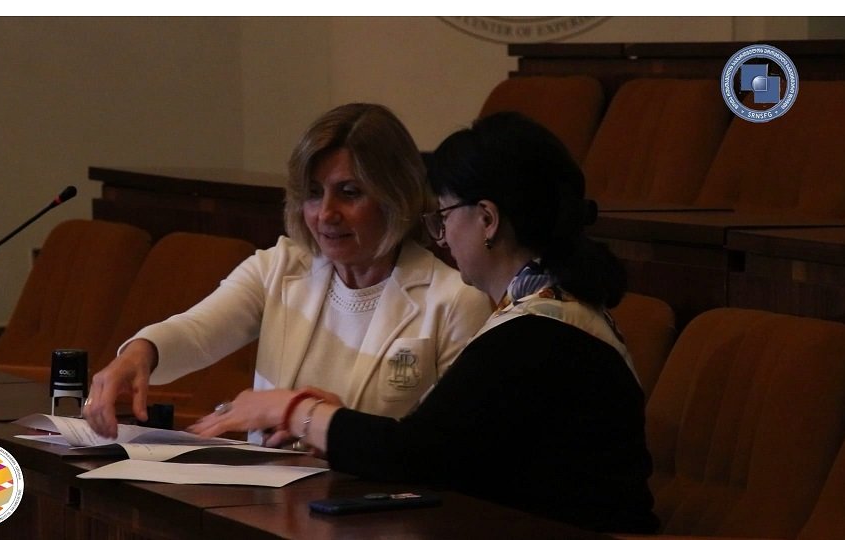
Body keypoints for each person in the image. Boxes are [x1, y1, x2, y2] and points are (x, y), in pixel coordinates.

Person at [186, 112, 659, 534]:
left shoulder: (536, 335)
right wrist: (332, 421)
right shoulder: (543, 314)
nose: (442, 236)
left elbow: (414, 455)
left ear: (488, 219)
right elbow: (447, 443)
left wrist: (294, 411)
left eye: (445, 215)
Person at [84, 103, 492, 440]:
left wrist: (326, 426)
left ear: (396, 197)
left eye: (349, 193)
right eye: (313, 194)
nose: (326, 214)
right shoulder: (278, 267)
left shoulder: (455, 301)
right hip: (265, 497)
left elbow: (439, 447)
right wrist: (141, 352)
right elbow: (197, 333)